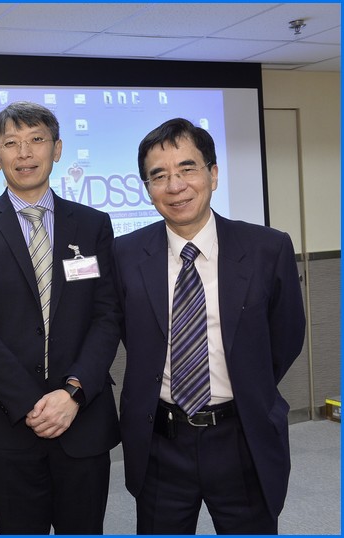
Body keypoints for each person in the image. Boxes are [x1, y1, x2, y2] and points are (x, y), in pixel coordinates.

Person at [113, 117, 306, 534]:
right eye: (159, 176)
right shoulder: (124, 254)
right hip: (160, 441)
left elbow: (286, 336)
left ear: (213, 174)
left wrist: (248, 384)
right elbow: (132, 335)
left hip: (242, 437)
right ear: (147, 188)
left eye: (188, 169)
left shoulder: (267, 248)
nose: (175, 186)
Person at [0, 101, 121, 534]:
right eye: (11, 143)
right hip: (5, 422)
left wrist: (72, 394)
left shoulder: (93, 225)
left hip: (82, 418)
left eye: (36, 140)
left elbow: (106, 315)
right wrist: (33, 404)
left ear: (57, 149)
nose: (25, 153)